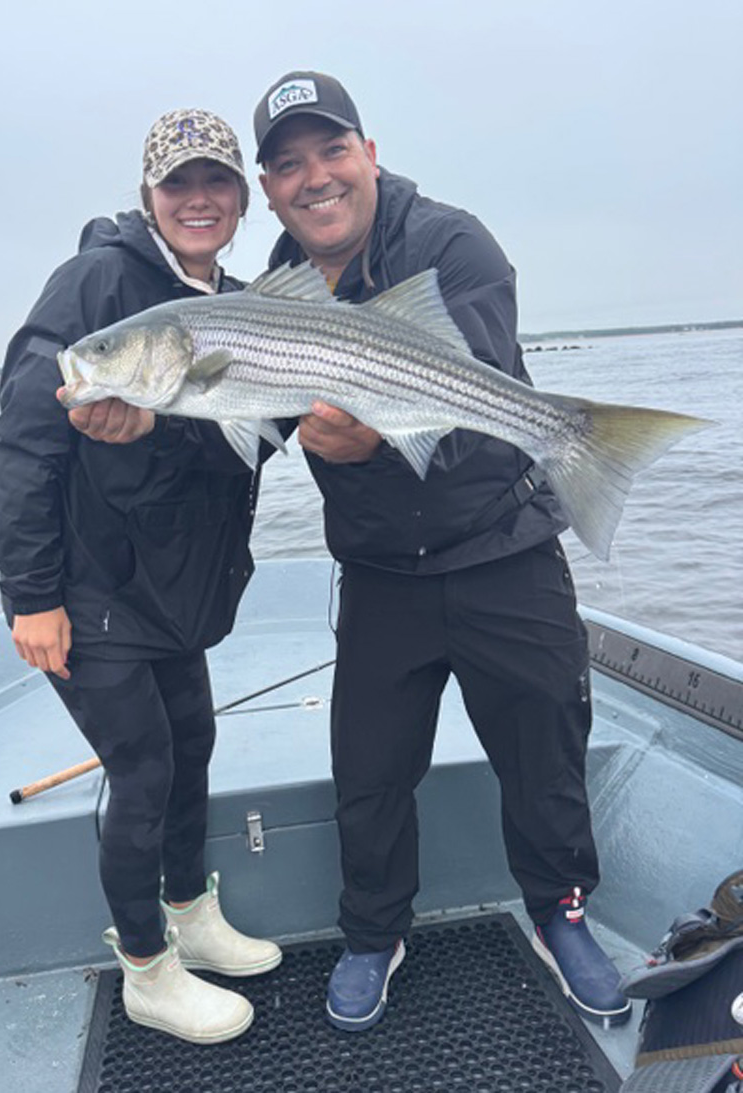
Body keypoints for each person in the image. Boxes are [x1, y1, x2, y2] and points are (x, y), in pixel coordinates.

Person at [250, 70, 632, 1033]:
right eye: (289, 164)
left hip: (502, 544)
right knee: (368, 768)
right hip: (383, 574)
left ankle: (558, 908)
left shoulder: (451, 242)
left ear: (369, 154)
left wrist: (377, 433)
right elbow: (252, 428)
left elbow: (483, 386)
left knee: (543, 739)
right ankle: (375, 932)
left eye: (332, 151)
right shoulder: (274, 288)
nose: (316, 178)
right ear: (268, 188)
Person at [0, 108, 282, 1046]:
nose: (199, 199)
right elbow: (22, 441)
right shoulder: (99, 281)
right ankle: (150, 967)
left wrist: (168, 427)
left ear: (239, 199)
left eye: (217, 183)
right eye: (178, 183)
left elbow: (238, 452)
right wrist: (32, 593)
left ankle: (192, 910)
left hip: (171, 596)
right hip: (89, 588)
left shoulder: (234, 297)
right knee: (143, 769)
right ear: (148, 195)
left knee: (192, 746)